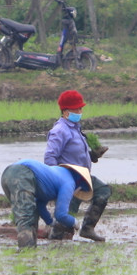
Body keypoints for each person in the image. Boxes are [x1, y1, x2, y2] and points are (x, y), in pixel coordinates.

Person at [44, 89, 111, 242]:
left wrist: (93, 155)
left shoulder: (76, 128)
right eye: (77, 109)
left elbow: (79, 154)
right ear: (66, 111)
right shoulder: (59, 130)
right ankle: (55, 241)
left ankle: (87, 228)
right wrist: (57, 181)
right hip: (69, 179)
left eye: (81, 108)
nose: (80, 111)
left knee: (103, 192)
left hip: (83, 177)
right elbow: (49, 157)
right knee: (66, 215)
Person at [0, 160, 93, 249]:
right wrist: (76, 223)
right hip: (22, 173)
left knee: (32, 214)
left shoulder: (56, 175)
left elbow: (39, 205)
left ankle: (30, 249)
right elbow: (61, 215)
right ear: (80, 186)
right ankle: (26, 254)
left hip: (7, 173)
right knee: (26, 218)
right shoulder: (69, 183)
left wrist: (50, 222)